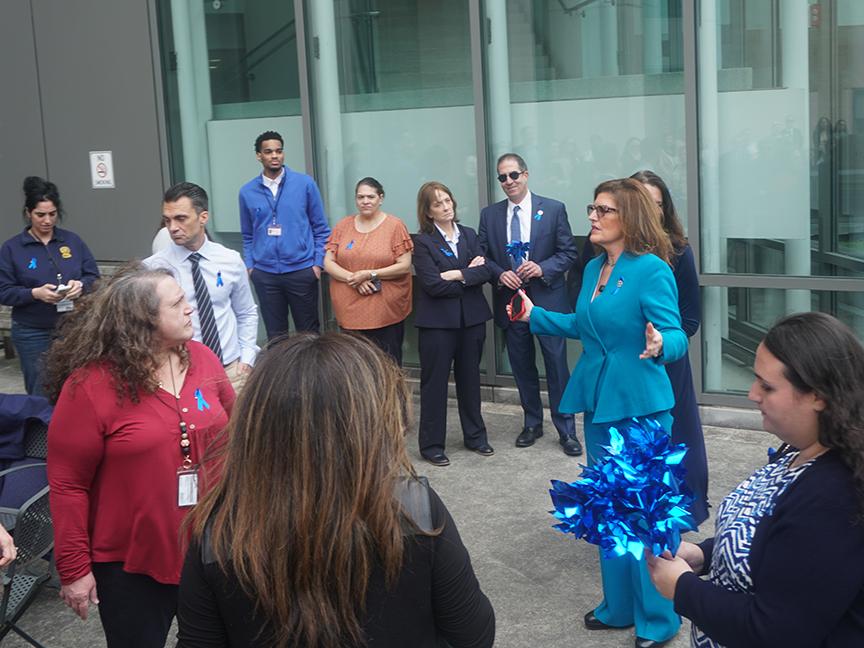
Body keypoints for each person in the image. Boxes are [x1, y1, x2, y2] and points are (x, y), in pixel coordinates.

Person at [176, 333, 496, 648]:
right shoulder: (414, 509)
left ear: (255, 428)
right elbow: (474, 633)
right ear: (368, 428)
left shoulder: (218, 533)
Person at [510, 177, 687, 648]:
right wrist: (534, 316)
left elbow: (676, 334)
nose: (592, 216)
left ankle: (658, 618)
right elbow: (584, 324)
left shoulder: (651, 270)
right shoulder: (592, 269)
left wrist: (660, 344)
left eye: (603, 210)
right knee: (609, 509)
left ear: (629, 217)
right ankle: (619, 607)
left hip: (642, 407)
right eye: (592, 208)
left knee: (646, 513)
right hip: (600, 405)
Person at [45, 265, 234, 648]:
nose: (190, 308)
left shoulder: (202, 358)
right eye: (176, 303)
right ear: (143, 320)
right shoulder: (90, 385)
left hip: (212, 546)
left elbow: (238, 434)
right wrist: (74, 568)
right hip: (132, 564)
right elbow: (67, 484)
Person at [648, 312, 864, 647]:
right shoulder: (801, 450)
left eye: (767, 386)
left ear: (818, 396)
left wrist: (683, 589)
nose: (752, 394)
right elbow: (777, 545)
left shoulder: (834, 496)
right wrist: (705, 554)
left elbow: (777, 630)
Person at [478, 153, 581, 456]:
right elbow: (482, 256)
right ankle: (532, 423)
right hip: (511, 302)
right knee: (522, 366)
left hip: (548, 300)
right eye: (502, 177)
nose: (508, 181)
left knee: (556, 366)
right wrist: (500, 274)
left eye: (513, 175)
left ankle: (566, 429)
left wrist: (542, 268)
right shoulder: (490, 215)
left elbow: (568, 252)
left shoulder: (553, 209)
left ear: (525, 174)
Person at [630, 170, 708, 524]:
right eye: (643, 202)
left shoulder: (678, 250)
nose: (651, 211)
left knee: (676, 439)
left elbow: (690, 319)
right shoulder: (607, 251)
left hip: (667, 364)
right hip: (625, 365)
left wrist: (663, 341)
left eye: (658, 204)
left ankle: (678, 515)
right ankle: (634, 516)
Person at [145, 182, 259, 392]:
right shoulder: (154, 269)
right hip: (183, 374)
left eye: (181, 218)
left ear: (203, 217)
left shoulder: (230, 260)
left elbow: (246, 312)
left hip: (231, 371)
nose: (172, 228)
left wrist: (247, 359)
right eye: (167, 220)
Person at [413, 181, 493, 467]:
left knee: (470, 380)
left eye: (447, 200)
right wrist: (467, 274)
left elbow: (485, 272)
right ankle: (432, 445)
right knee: (434, 385)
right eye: (438, 204)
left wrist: (455, 274)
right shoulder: (422, 242)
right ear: (428, 211)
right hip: (437, 324)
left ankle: (475, 436)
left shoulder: (469, 235)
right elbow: (432, 285)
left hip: (471, 320)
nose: (446, 207)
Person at [0, 177, 100, 396]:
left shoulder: (72, 241)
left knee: (78, 387)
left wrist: (80, 285)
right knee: (40, 390)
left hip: (72, 327)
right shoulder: (12, 248)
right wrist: (34, 293)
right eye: (40, 215)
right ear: (28, 213)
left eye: (52, 214)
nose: (47, 220)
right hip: (31, 331)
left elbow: (93, 276)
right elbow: (3, 291)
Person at [239, 130, 330, 338]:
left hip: (301, 270)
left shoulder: (304, 184)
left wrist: (317, 264)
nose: (275, 156)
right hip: (265, 274)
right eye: (268, 152)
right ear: (259, 156)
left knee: (308, 336)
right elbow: (248, 235)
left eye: (279, 151)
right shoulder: (247, 192)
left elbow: (321, 228)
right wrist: (251, 267)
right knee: (276, 336)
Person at [324, 177, 413, 365]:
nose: (365, 201)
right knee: (355, 365)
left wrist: (370, 274)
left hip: (384, 311)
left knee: (387, 364)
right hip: (350, 309)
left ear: (381, 198)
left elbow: (404, 265)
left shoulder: (394, 226)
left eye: (370, 197)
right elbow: (329, 262)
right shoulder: (343, 226)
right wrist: (354, 278)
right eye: (360, 197)